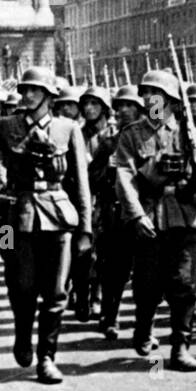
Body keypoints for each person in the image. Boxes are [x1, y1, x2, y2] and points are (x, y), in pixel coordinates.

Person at [0, 67, 92, 384]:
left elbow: (80, 182)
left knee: (56, 292)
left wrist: (85, 228)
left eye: (33, 90)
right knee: (21, 285)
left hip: (58, 217)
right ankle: (22, 334)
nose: (26, 94)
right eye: (24, 89)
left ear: (48, 96)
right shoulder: (5, 126)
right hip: (14, 219)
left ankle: (46, 358)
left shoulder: (68, 129)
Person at [111, 69, 196, 372]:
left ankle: (180, 348)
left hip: (184, 215)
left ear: (170, 101)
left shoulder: (189, 134)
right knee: (147, 285)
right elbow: (124, 177)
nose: (149, 101)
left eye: (157, 96)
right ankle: (143, 328)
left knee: (184, 285)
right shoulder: (131, 135)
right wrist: (136, 214)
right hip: (149, 214)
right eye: (146, 96)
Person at [95, 85, 144, 339]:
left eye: (130, 106)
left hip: (143, 212)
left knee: (145, 272)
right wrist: (108, 169)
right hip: (114, 213)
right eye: (121, 106)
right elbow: (91, 178)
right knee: (114, 269)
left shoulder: (147, 140)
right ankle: (110, 316)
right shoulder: (108, 141)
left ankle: (142, 325)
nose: (124, 111)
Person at [70, 84, 115, 324]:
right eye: (85, 104)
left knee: (103, 253)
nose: (88, 108)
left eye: (94, 104)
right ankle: (81, 295)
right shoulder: (75, 132)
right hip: (82, 198)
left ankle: (98, 299)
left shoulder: (114, 135)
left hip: (106, 198)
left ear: (104, 108)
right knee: (82, 252)